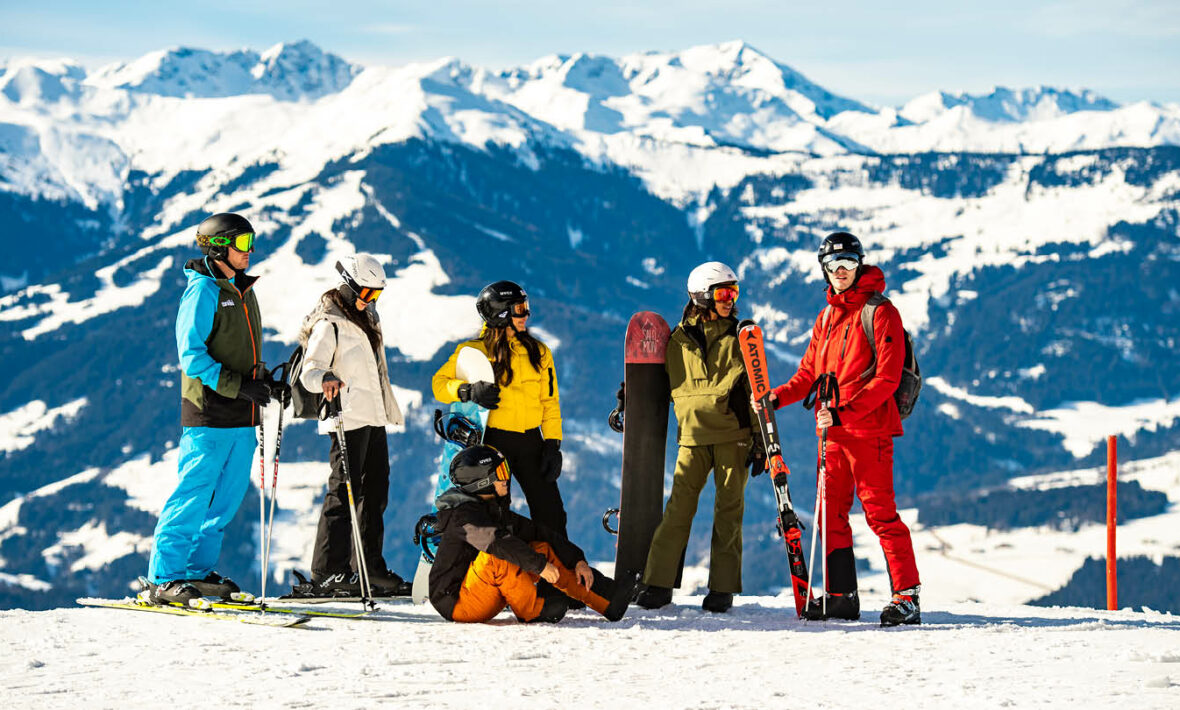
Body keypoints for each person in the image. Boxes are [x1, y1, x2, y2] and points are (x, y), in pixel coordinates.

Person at [765, 231, 921, 626]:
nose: (841, 271)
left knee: (880, 514)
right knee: (829, 513)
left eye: (849, 263)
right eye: (834, 264)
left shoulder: (880, 312)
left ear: (860, 264)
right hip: (832, 434)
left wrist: (844, 413)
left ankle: (907, 597)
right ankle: (841, 596)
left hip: (869, 432)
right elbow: (808, 374)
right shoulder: (827, 317)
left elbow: (886, 379)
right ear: (824, 269)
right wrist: (775, 398)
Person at [146, 212, 286, 605]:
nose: (251, 251)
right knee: (193, 493)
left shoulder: (244, 291)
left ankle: (195, 570)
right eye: (243, 243)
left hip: (242, 414)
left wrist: (264, 382)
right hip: (209, 412)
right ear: (219, 246)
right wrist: (240, 386)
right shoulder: (203, 291)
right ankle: (165, 576)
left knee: (225, 500)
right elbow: (191, 357)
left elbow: (244, 352)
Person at [633, 262, 758, 614]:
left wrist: (762, 442)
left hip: (733, 435)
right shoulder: (676, 340)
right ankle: (657, 583)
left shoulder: (741, 336)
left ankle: (722, 589)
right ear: (702, 295)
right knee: (678, 510)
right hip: (691, 435)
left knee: (729, 511)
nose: (730, 300)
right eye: (722, 293)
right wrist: (629, 395)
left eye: (734, 292)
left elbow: (755, 389)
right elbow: (655, 380)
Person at [294, 253, 409, 596]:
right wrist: (326, 376)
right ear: (347, 285)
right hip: (345, 417)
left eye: (376, 294)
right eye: (366, 292)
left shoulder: (366, 318)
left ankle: (368, 568)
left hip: (372, 417)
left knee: (376, 493)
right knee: (344, 493)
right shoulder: (328, 322)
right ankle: (328, 572)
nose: (370, 300)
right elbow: (309, 371)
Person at [428, 444, 636, 623]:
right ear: (482, 481)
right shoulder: (462, 518)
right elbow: (497, 543)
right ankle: (533, 611)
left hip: (483, 588)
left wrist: (577, 559)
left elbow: (538, 532)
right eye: (500, 474)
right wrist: (539, 566)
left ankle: (609, 600)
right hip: (458, 602)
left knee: (541, 548)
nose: (506, 479)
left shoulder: (492, 509)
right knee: (498, 556)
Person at [431, 281, 567, 536]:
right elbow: (439, 384)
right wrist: (467, 391)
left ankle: (558, 570)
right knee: (497, 515)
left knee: (552, 513)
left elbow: (550, 402)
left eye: (525, 307)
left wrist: (552, 444)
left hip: (531, 442)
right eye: (519, 308)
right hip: (493, 444)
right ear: (500, 312)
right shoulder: (473, 352)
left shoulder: (539, 352)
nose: (526, 314)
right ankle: (503, 571)